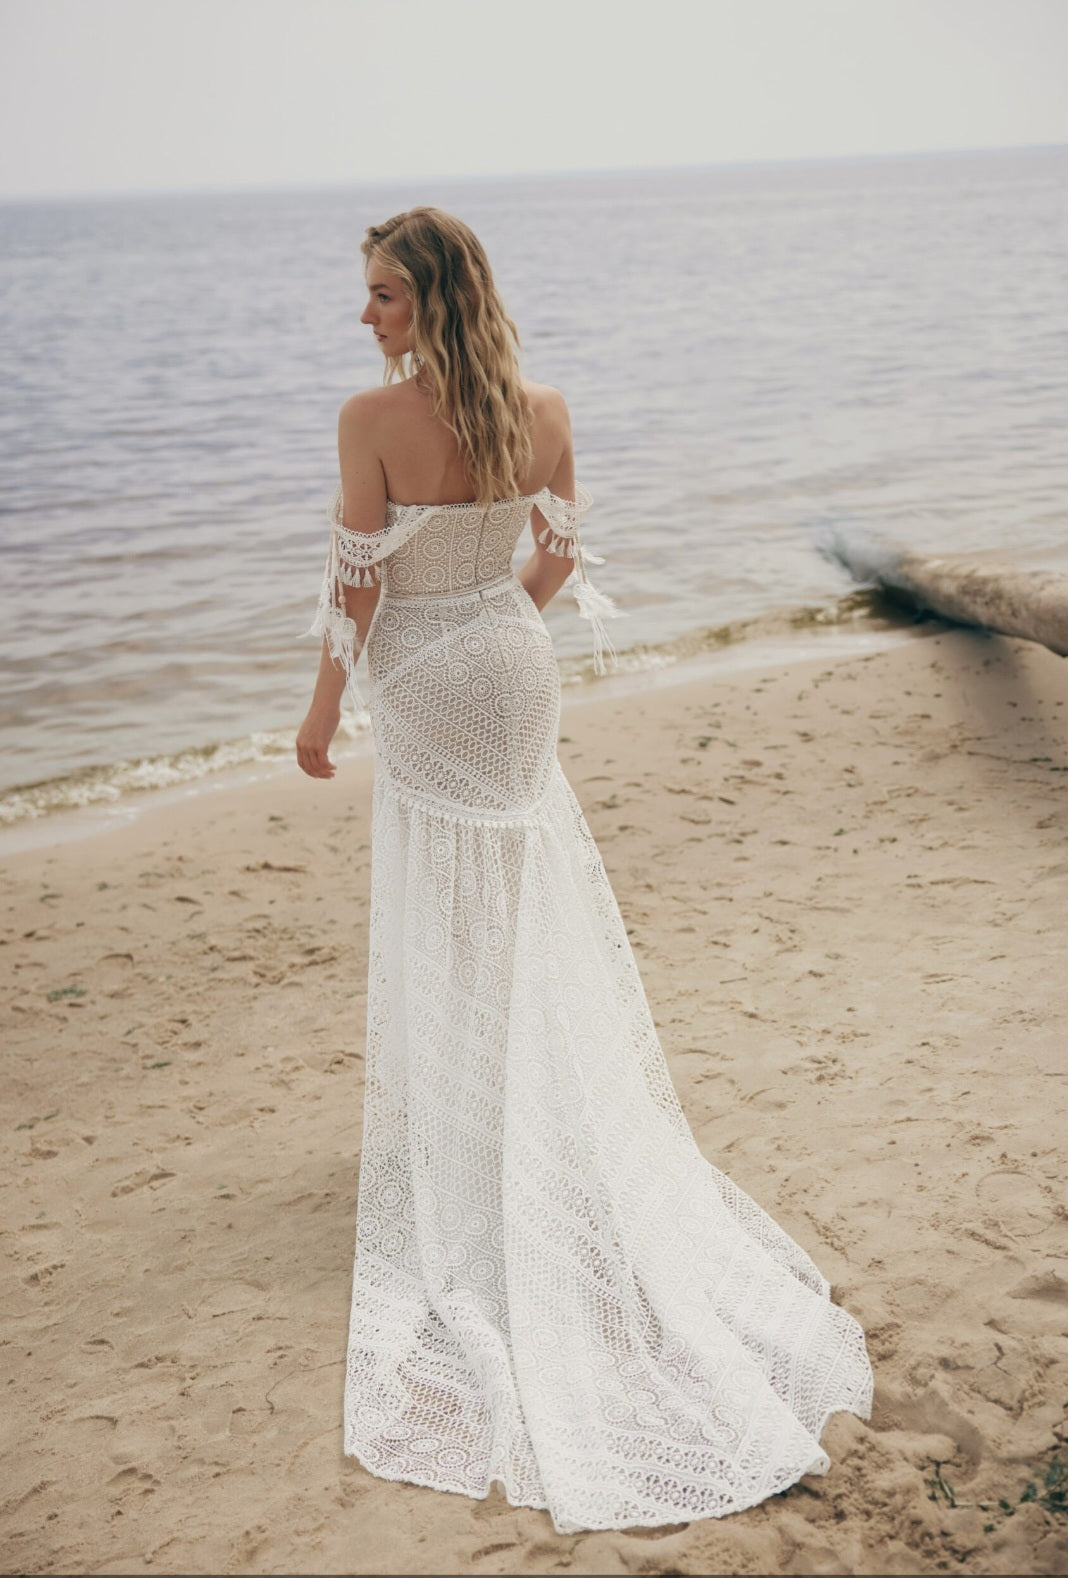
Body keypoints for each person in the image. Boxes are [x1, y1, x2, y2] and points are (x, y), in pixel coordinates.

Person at [296, 207, 873, 1535]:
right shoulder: (542, 410)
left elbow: (359, 587)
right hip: (515, 665)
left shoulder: (368, 420)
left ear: (433, 299)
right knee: (523, 900)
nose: (366, 317)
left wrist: (323, 714)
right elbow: (554, 554)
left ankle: (474, 1140)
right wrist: (498, 619)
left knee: (447, 911)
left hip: (426, 683)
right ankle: (525, 1118)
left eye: (383, 295)